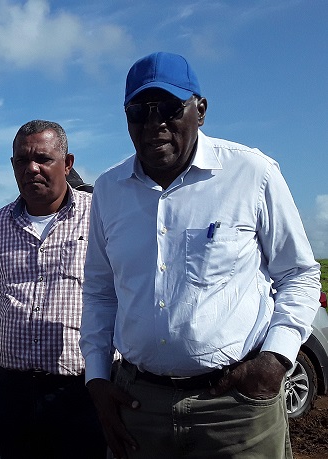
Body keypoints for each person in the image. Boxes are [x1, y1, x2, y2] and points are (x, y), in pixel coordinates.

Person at [80, 52, 322, 459]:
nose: (154, 123)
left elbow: (298, 274)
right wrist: (98, 379)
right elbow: (100, 292)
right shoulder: (108, 190)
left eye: (170, 108)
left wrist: (275, 361)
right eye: (139, 110)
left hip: (236, 409)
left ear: (201, 110)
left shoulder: (252, 174)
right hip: (138, 406)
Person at [0, 120, 107, 459]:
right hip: (13, 389)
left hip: (81, 389)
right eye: (22, 160)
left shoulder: (100, 215)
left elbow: (122, 292)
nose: (31, 168)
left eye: (43, 158)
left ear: (67, 164)